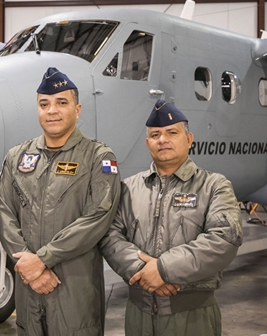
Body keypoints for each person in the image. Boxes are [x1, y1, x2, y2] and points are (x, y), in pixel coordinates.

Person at [0, 67, 121, 336]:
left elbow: (98, 217)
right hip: (28, 287)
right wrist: (29, 267)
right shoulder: (18, 156)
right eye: (44, 104)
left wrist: (42, 259)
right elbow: (4, 211)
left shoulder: (98, 157)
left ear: (77, 109)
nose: (52, 110)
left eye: (61, 103)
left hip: (74, 288)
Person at [100, 99, 243, 336]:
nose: (162, 140)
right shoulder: (129, 189)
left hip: (192, 317)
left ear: (189, 139)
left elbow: (224, 238)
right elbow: (109, 235)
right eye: (155, 135)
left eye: (172, 133)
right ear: (148, 143)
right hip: (139, 316)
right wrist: (143, 270)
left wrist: (164, 269)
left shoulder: (214, 186)